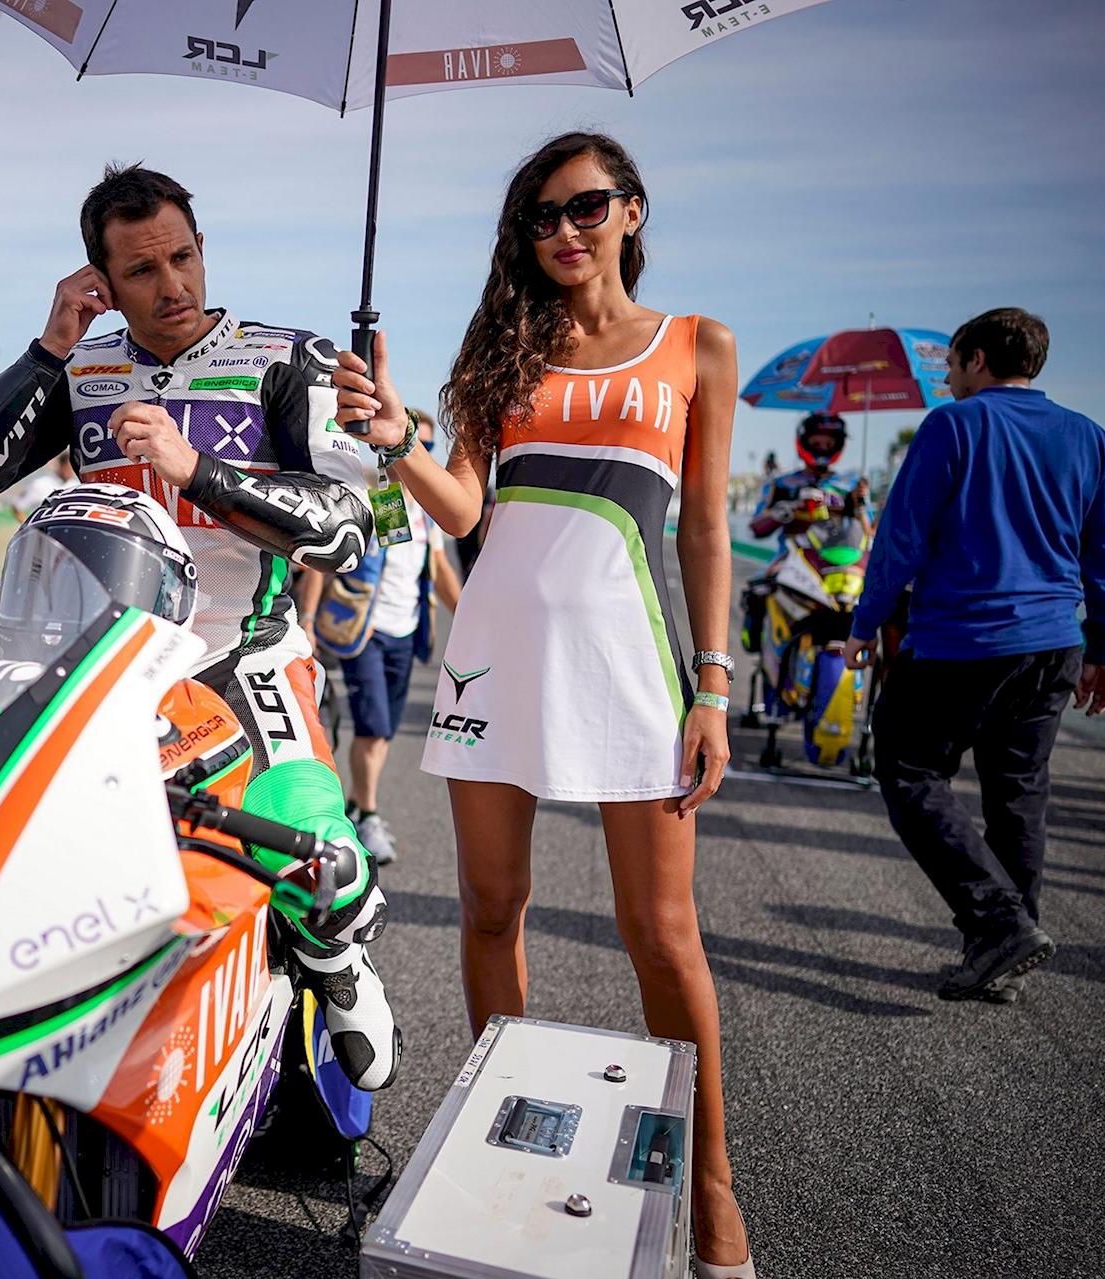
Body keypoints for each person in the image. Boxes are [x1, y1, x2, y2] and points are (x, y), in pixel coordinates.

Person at [334, 133, 753, 1275]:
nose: (562, 233)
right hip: (495, 660)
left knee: (662, 936)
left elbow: (705, 527)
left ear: (631, 210)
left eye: (584, 208)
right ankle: (502, 1149)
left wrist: (714, 682)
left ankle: (710, 1195)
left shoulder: (696, 345)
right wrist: (396, 439)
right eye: (539, 218)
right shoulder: (502, 343)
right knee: (488, 912)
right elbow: (463, 506)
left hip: (636, 664)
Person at [0, 163, 398, 1091]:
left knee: (322, 853)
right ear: (100, 278)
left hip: (244, 657)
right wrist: (47, 349)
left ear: (202, 247)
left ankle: (337, 962)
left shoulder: (282, 356)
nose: (172, 285)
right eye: (141, 271)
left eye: (183, 257)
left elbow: (348, 528)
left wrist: (199, 473)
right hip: (101, 664)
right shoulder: (84, 367)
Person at [843, 307, 1105, 1004]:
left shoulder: (954, 426)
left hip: (963, 642)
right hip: (1054, 643)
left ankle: (997, 924)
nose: (949, 377)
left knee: (906, 769)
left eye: (952, 363)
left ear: (979, 359)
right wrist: (1103, 648)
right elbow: (1103, 555)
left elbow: (901, 537)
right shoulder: (1089, 437)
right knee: (1018, 795)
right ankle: (1008, 944)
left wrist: (865, 621)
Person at [296, 411, 463, 866]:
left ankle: (356, 805)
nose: (419, 455)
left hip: (406, 630)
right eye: (412, 444)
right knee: (372, 726)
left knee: (385, 727)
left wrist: (470, 616)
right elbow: (321, 560)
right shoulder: (378, 496)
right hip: (363, 627)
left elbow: (441, 570)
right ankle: (368, 813)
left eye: (428, 448)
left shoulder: (428, 511)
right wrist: (306, 619)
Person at [748, 412, 871, 546]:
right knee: (774, 568)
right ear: (804, 441)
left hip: (842, 559)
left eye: (829, 444)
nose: (823, 448)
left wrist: (857, 505)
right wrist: (792, 507)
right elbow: (756, 529)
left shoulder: (852, 484)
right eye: (817, 444)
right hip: (793, 559)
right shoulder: (781, 484)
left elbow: (869, 533)